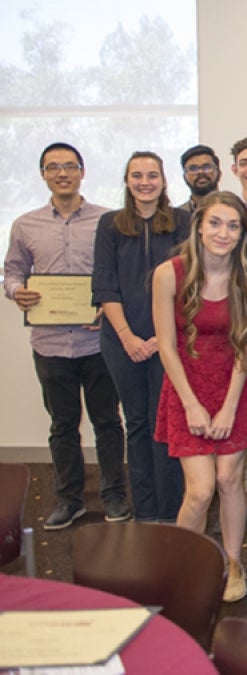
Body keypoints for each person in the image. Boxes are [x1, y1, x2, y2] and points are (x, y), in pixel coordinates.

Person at [5, 142, 128, 529]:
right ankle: (69, 499)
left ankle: (114, 495)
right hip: (50, 343)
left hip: (98, 342)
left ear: (82, 172)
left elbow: (119, 275)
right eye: (53, 167)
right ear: (43, 174)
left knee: (107, 421)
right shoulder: (25, 224)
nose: (62, 173)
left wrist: (106, 305)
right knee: (62, 424)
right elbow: (12, 272)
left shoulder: (107, 220)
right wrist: (16, 291)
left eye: (70, 166)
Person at [152, 191, 247, 603]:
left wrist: (231, 405)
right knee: (199, 490)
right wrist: (192, 403)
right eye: (215, 223)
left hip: (235, 384)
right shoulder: (169, 273)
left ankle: (233, 562)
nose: (223, 232)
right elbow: (166, 346)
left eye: (233, 226)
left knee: (228, 478)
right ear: (199, 225)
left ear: (242, 233)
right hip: (187, 386)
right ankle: (187, 562)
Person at [93, 151, 190, 524]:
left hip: (171, 342)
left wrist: (160, 338)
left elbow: (188, 283)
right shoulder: (110, 225)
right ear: (127, 181)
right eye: (137, 175)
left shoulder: (183, 222)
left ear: (164, 181)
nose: (145, 181)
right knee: (136, 423)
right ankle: (146, 511)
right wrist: (128, 337)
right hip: (122, 341)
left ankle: (172, 509)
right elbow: (105, 285)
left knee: (166, 423)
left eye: (152, 175)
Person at [179, 144, 222, 212]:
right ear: (184, 177)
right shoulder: (176, 217)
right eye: (193, 168)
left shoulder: (235, 210)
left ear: (219, 173)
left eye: (207, 167)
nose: (200, 172)